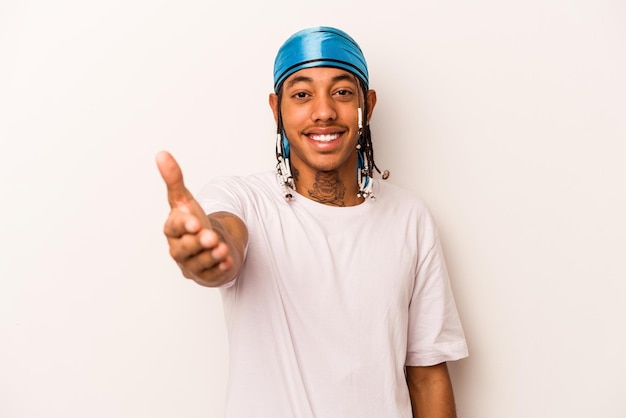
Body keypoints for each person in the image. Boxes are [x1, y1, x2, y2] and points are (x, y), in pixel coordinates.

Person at [156, 26, 468, 418]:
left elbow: (427, 374)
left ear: (367, 106)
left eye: (341, 92)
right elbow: (225, 238)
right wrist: (208, 250)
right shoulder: (244, 200)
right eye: (302, 94)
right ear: (277, 109)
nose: (323, 111)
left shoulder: (410, 218)